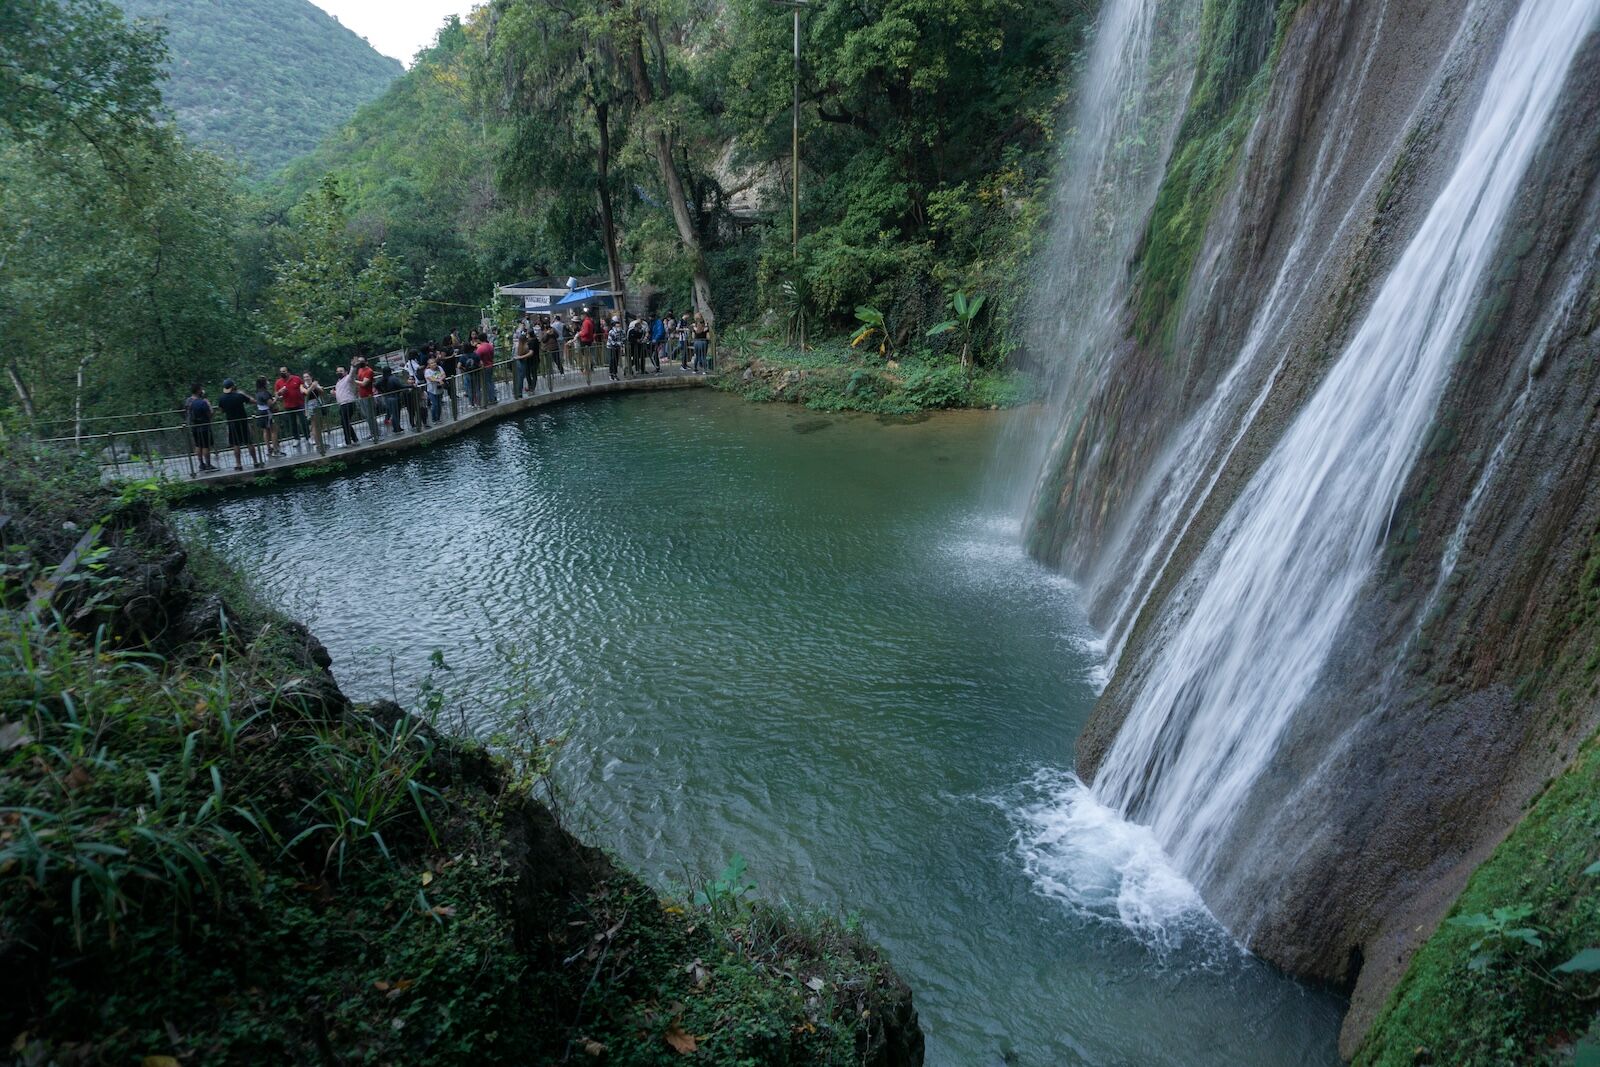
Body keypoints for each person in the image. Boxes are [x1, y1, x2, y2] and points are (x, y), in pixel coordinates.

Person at [216, 379, 260, 471]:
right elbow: (253, 401)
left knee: (236, 444)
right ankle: (255, 461)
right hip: (242, 421)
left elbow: (221, 410)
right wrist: (243, 393)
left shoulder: (222, 398)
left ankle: (238, 464)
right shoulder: (239, 396)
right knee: (249, 442)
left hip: (232, 423)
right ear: (233, 387)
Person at [183, 383, 215, 473]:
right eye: (201, 389)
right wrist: (208, 404)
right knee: (205, 446)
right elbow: (210, 414)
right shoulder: (202, 402)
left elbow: (186, 412)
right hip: (204, 426)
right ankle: (208, 464)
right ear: (198, 390)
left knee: (198, 445)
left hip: (193, 426)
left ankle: (201, 464)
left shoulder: (188, 401)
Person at [275, 366, 307, 448]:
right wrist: (280, 392)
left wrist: (303, 390)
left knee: (303, 421)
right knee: (292, 423)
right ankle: (296, 439)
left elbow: (303, 387)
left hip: (299, 404)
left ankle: (308, 437)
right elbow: (276, 396)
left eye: (284, 371)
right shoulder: (278, 382)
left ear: (288, 372)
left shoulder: (296, 378)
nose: (282, 373)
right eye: (281, 372)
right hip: (288, 405)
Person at [253, 376, 282, 457]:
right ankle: (275, 449)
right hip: (267, 413)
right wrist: (276, 398)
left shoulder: (258, 392)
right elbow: (270, 404)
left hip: (260, 412)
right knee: (274, 430)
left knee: (265, 430)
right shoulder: (265, 393)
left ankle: (269, 448)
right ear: (264, 383)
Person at [303, 371, 328, 455]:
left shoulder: (315, 384)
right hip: (310, 406)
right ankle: (318, 444)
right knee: (314, 425)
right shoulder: (303, 386)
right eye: (305, 377)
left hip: (318, 404)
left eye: (307, 376)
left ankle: (320, 441)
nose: (306, 378)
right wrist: (312, 386)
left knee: (319, 424)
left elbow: (321, 391)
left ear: (311, 377)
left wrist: (315, 386)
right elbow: (306, 393)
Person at [355, 356, 379, 441]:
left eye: (362, 361)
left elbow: (364, 383)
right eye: (359, 361)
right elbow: (359, 383)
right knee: (367, 416)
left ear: (366, 362)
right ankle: (372, 432)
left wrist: (353, 381)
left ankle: (376, 433)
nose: (360, 362)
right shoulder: (359, 370)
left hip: (368, 396)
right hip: (361, 396)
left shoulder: (369, 371)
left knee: (371, 416)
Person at [334, 365, 359, 446]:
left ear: (345, 372)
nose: (339, 373)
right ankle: (354, 439)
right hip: (342, 404)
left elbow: (352, 374)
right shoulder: (338, 382)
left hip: (348, 403)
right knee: (345, 423)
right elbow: (341, 392)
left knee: (345, 422)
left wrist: (353, 366)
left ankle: (348, 441)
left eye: (341, 371)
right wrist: (334, 393)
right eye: (337, 371)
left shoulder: (348, 379)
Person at [439, 343, 461, 418]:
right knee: (448, 382)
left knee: (452, 381)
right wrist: (452, 356)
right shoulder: (444, 349)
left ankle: (452, 394)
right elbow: (443, 358)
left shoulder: (450, 348)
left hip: (451, 368)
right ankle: (450, 394)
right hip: (447, 368)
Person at [476, 331, 497, 404]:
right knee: (490, 382)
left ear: (479, 339)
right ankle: (493, 397)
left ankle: (490, 399)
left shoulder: (480, 348)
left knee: (486, 383)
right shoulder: (490, 346)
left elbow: (477, 358)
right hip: (490, 365)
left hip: (484, 367)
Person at [424, 355, 445, 422]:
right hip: (431, 390)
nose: (434, 364)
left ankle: (438, 418)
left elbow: (444, 374)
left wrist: (441, 379)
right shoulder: (427, 371)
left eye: (434, 362)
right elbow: (430, 378)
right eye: (432, 363)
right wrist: (438, 380)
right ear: (429, 365)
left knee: (439, 405)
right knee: (434, 405)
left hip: (439, 389)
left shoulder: (439, 367)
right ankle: (434, 419)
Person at [605, 316, 625, 382]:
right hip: (611, 347)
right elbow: (611, 341)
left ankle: (615, 374)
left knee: (616, 361)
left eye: (618, 323)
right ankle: (611, 374)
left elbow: (623, 338)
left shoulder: (621, 331)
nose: (618, 324)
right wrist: (619, 343)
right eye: (617, 323)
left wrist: (621, 343)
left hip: (617, 347)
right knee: (612, 360)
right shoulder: (611, 332)